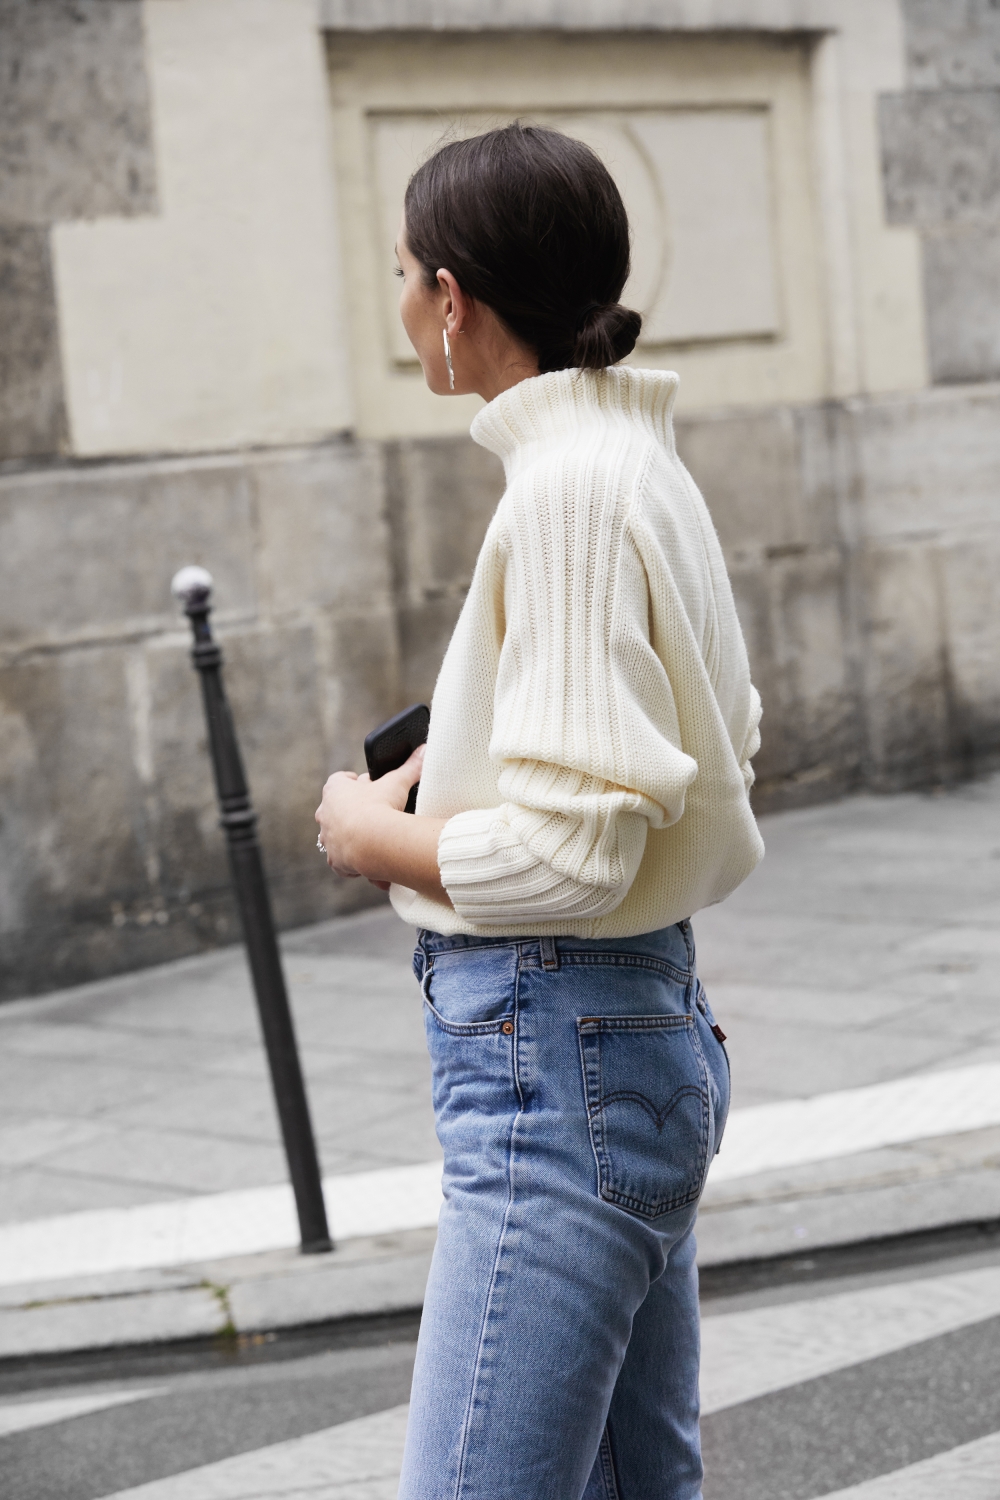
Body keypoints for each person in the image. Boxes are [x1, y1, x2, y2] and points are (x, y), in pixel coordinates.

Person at [315, 123, 763, 1500]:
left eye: (403, 274)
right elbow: (719, 743)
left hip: (554, 1062)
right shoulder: (637, 466)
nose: (399, 305)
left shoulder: (567, 493)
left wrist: (368, 832)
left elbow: (575, 852)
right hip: (626, 1031)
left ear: (453, 297)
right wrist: (465, 761)